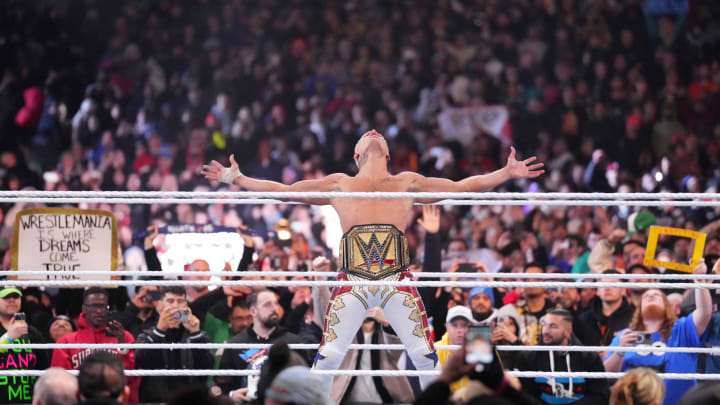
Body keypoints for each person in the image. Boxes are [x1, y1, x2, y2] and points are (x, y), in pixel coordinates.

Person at [203, 130, 543, 392]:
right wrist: (238, 179)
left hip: (397, 278)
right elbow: (285, 189)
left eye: (378, 134)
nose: (374, 131)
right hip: (353, 278)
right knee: (330, 356)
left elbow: (461, 186)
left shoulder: (407, 181)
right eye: (367, 134)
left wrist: (505, 173)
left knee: (424, 356)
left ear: (388, 152)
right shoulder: (339, 183)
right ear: (357, 153)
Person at [603, 260, 713, 405]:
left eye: (657, 295)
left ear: (667, 307)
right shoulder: (626, 335)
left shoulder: (682, 329)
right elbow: (605, 376)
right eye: (646, 296)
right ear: (639, 310)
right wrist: (619, 352)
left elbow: (704, 313)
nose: (650, 296)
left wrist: (699, 280)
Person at [217, 289, 308, 402]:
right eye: (267, 305)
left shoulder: (294, 342)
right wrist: (232, 395)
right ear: (253, 311)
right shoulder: (235, 344)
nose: (274, 308)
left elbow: (307, 381)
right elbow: (222, 385)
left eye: (275, 303)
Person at [50, 287, 139, 403]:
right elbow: (59, 381)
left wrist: (122, 344)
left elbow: (130, 378)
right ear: (84, 308)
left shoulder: (125, 337)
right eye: (93, 306)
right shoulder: (66, 342)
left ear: (108, 308)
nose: (98, 311)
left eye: (102, 306)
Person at [135, 286, 215, 402]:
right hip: (157, 399)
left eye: (180, 301)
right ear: (160, 305)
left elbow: (206, 367)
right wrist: (159, 331)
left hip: (189, 400)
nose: (176, 306)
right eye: (170, 301)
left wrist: (195, 333)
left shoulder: (196, 334)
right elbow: (142, 362)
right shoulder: (147, 334)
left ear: (186, 305)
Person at [515, 308, 609, 404]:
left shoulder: (589, 357)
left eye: (553, 326)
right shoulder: (529, 356)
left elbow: (600, 395)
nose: (546, 331)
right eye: (544, 324)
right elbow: (524, 394)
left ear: (568, 331)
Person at [328, 307, 414, 404]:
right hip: (347, 401)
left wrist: (387, 323)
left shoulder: (386, 333)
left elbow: (396, 348)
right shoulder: (344, 332)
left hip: (386, 400)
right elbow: (324, 305)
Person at [0, 286, 50, 403]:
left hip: (29, 399)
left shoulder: (33, 332)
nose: (12, 300)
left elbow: (44, 368)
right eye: (6, 297)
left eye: (16, 296)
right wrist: (8, 338)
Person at [574, 270, 634, 348]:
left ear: (623, 290)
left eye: (613, 284)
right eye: (603, 284)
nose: (607, 288)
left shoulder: (633, 319)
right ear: (598, 290)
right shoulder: (583, 319)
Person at [435, 305, 473, 394]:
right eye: (454, 325)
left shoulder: (482, 350)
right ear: (446, 326)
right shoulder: (433, 351)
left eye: (464, 325)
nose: (459, 330)